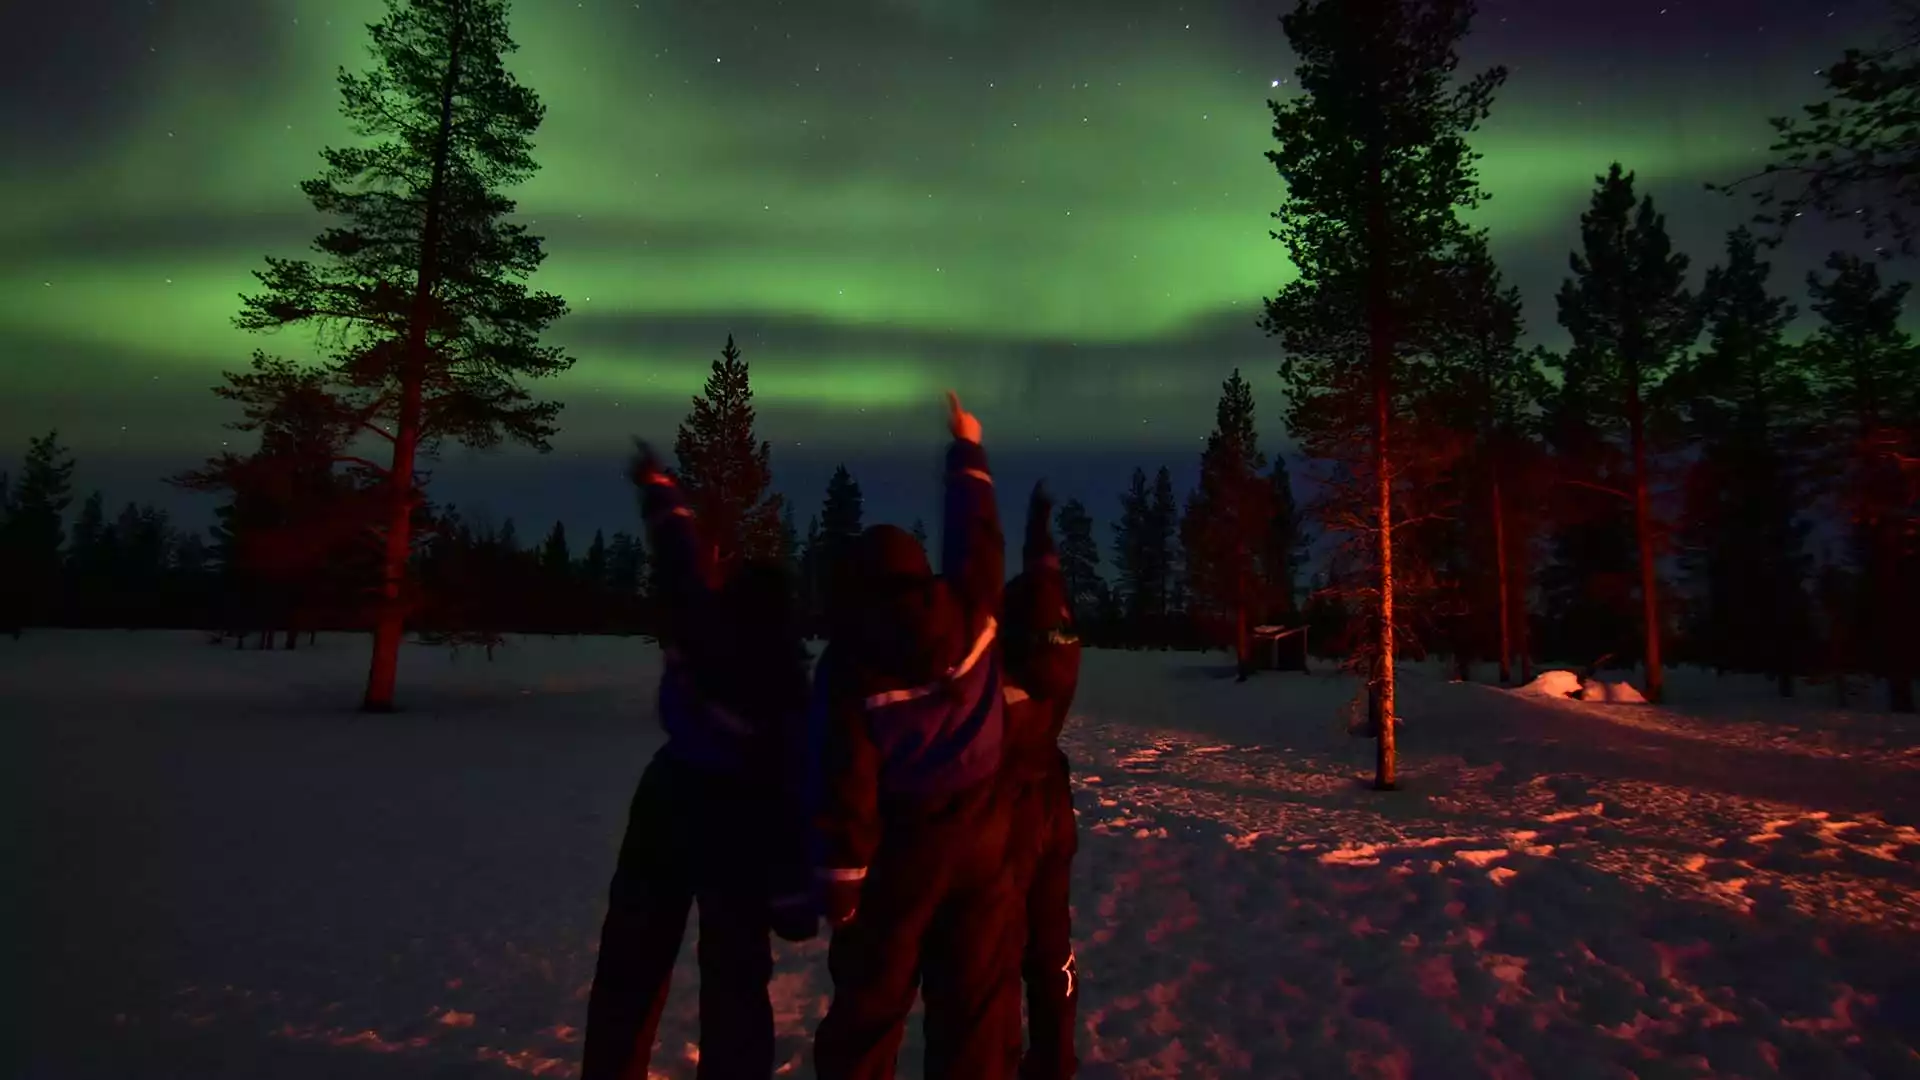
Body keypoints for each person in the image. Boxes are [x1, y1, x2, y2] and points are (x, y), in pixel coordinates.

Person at [580, 441, 817, 1080]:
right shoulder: (786, 690)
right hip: (738, 820)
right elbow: (796, 789)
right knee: (736, 975)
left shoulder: (699, 626)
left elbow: (678, 558)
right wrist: (796, 894)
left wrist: (660, 490)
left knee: (631, 959)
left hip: (668, 795)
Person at [810, 391, 1021, 1080]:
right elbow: (978, 534)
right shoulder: (970, 608)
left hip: (904, 852)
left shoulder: (850, 663)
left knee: (873, 1002)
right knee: (973, 1003)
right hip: (986, 835)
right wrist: (967, 447)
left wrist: (843, 882)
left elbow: (847, 782)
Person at [999, 481, 1085, 1080]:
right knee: (1051, 946)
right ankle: (1055, 1060)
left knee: (998, 947)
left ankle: (998, 1060)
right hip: (1056, 805)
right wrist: (1039, 525)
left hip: (1009, 812)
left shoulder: (1006, 662)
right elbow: (1043, 574)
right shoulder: (1061, 648)